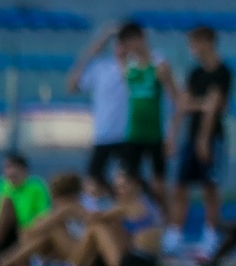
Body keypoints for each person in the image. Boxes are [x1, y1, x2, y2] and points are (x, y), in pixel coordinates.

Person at [68, 20, 168, 188]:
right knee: (94, 181)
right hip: (103, 134)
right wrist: (101, 40)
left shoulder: (138, 67)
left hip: (127, 135)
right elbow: (72, 86)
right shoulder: (101, 68)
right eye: (119, 43)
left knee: (133, 182)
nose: (122, 48)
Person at [168, 25, 233, 251]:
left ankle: (210, 235)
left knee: (210, 188)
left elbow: (214, 108)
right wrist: (172, 136)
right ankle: (175, 234)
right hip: (191, 136)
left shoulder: (222, 72)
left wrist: (203, 140)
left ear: (208, 43)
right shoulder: (195, 73)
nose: (192, 49)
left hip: (212, 138)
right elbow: (183, 105)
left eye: (195, 44)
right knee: (180, 186)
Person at [0, 171, 94, 266]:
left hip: (81, 255)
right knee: (42, 233)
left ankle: (0, 264)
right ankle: (3, 264)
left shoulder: (71, 207)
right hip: (70, 251)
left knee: (51, 230)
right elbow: (30, 231)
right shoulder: (68, 208)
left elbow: (33, 230)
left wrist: (53, 217)